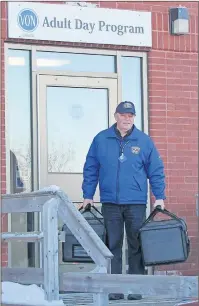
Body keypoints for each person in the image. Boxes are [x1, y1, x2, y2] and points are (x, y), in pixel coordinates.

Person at [82, 101, 166, 301]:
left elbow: (156, 171)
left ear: (133, 118)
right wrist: (88, 195)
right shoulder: (101, 139)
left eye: (130, 116)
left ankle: (137, 288)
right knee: (112, 245)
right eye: (123, 115)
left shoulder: (144, 141)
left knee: (136, 245)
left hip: (136, 202)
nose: (127, 119)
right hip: (110, 202)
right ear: (115, 116)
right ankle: (114, 288)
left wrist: (159, 197)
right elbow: (91, 168)